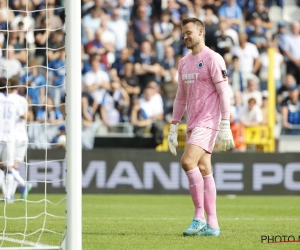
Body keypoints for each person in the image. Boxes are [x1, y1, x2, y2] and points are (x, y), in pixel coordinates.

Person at [168, 18, 234, 237]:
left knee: (187, 162)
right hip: (192, 122)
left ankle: (199, 218)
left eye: (188, 32)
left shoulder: (213, 58)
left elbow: (224, 92)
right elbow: (180, 97)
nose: (185, 36)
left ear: (200, 32)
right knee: (205, 169)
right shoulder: (184, 62)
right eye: (183, 33)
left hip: (208, 121)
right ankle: (213, 225)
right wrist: (173, 125)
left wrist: (225, 124)